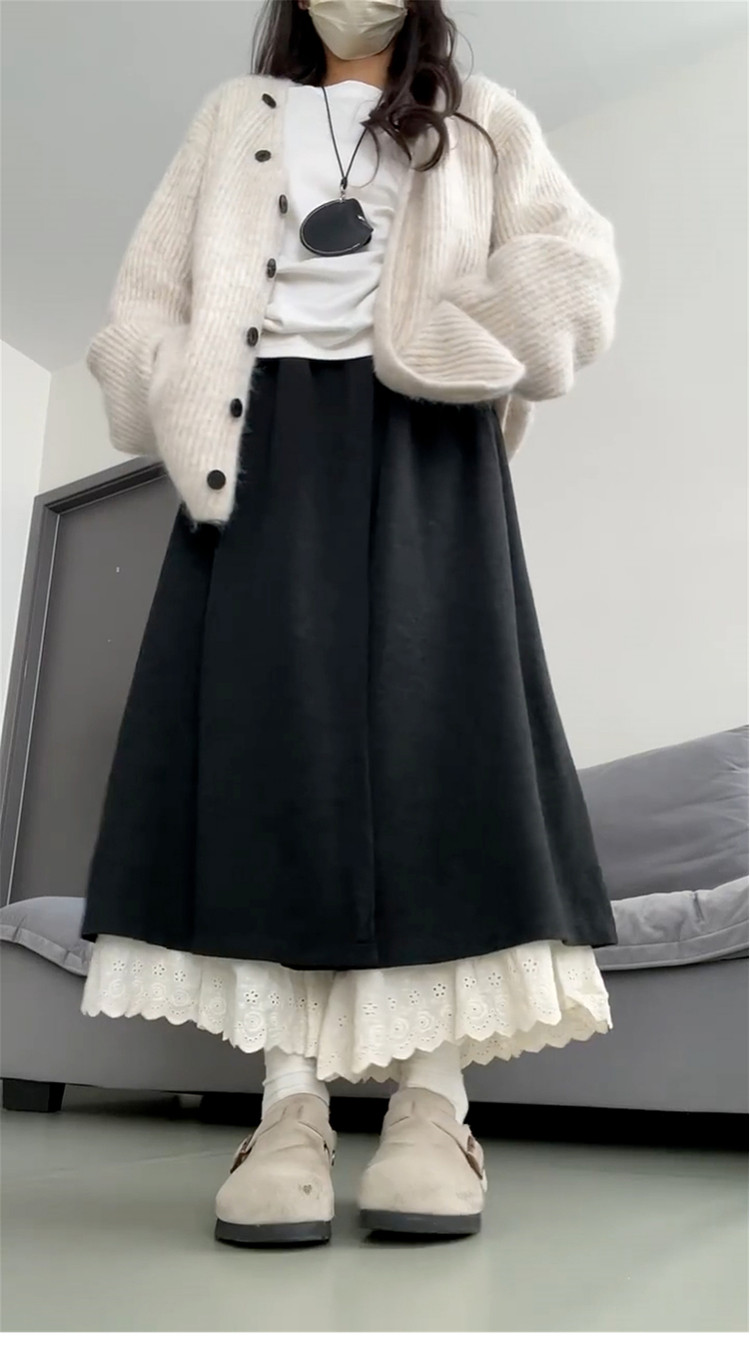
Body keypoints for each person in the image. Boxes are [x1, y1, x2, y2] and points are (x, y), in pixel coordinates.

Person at [80, 0, 620, 1247]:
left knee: (446, 743)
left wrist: (453, 338)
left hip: (428, 437)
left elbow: (575, 263)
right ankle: (289, 1108)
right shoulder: (234, 115)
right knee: (268, 752)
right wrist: (176, 384)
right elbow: (145, 298)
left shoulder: (482, 120)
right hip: (256, 443)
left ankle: (436, 1104)